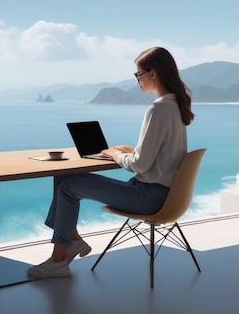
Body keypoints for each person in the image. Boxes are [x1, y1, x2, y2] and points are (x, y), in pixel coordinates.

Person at [27, 46, 195, 278]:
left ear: (153, 74)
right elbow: (162, 153)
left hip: (149, 198)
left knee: (67, 186)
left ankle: (59, 259)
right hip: (164, 193)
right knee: (64, 177)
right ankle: (72, 240)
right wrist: (133, 150)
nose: (137, 80)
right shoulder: (176, 104)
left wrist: (114, 154)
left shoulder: (158, 109)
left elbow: (140, 165)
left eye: (138, 74)